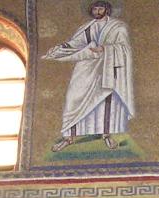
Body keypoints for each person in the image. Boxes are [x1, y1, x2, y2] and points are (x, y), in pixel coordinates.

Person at [43, 1, 134, 152]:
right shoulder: (87, 27)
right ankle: (69, 137)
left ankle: (107, 135)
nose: (98, 11)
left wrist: (104, 48)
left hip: (106, 67)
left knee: (106, 100)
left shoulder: (118, 27)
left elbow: (124, 48)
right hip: (86, 66)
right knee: (73, 98)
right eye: (95, 8)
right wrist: (61, 48)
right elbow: (75, 44)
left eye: (101, 8)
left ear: (107, 10)